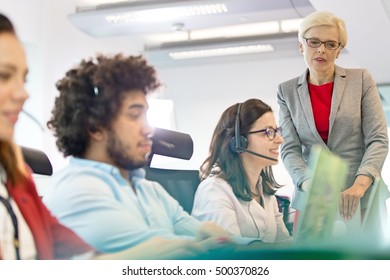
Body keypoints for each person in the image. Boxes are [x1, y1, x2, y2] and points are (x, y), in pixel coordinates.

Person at [0, 13, 224, 260]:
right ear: (95, 128)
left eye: (24, 80)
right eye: (4, 76)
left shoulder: (19, 179)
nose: (23, 94)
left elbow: (82, 260)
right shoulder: (78, 191)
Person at [42, 51, 251, 255]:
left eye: (145, 115)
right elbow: (162, 254)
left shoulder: (148, 189)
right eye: (134, 116)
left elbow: (203, 234)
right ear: (95, 127)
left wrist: (251, 245)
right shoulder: (78, 191)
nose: (149, 129)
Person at [277, 11, 389, 232]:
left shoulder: (361, 80)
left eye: (330, 44)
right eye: (314, 42)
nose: (321, 50)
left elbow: (378, 139)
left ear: (338, 51)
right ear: (302, 46)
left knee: (366, 263)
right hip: (312, 201)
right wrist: (310, 185)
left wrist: (361, 184)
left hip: (360, 196)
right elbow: (290, 149)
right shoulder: (286, 91)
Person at [192, 99, 292, 244]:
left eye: (276, 131)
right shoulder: (214, 190)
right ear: (239, 142)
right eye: (268, 132)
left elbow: (285, 243)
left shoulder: (265, 192)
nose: (279, 139)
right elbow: (229, 252)